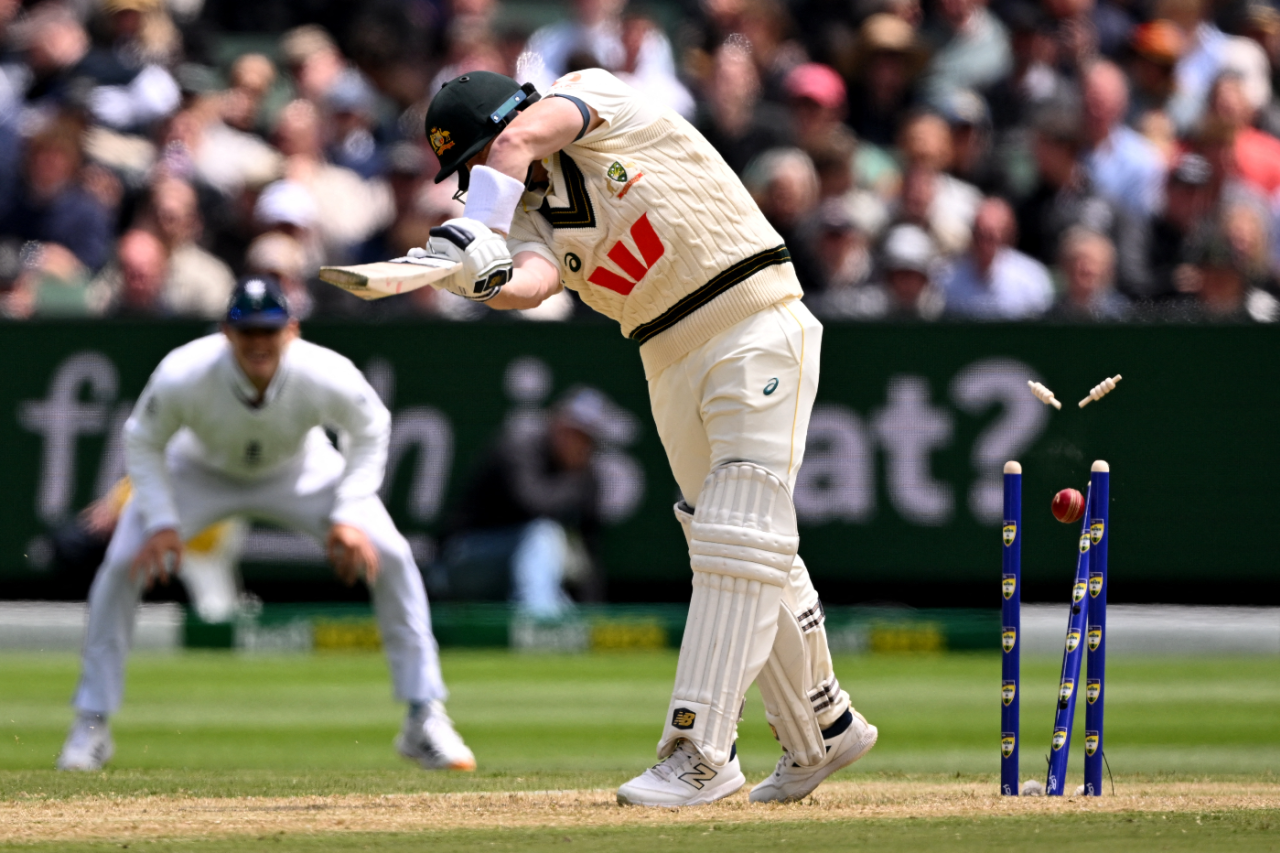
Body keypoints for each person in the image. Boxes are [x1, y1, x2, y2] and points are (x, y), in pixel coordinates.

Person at [416, 67, 876, 807]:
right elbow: (532, 283)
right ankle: (824, 724)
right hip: (665, 356)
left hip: (750, 315)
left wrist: (481, 227)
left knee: (737, 535)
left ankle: (699, 750)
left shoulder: (593, 97)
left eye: (473, 162)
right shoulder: (525, 206)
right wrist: (472, 275)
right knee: (737, 544)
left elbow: (522, 136)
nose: (473, 182)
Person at [56, 275, 474, 774]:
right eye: (247, 330)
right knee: (122, 562)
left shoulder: (324, 372)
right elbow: (142, 440)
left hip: (299, 469)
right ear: (226, 332)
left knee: (394, 557)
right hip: (199, 470)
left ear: (290, 331)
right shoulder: (184, 372)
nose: (258, 342)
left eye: (268, 330)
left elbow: (372, 427)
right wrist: (163, 520)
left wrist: (346, 512)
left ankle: (424, 716)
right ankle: (91, 725)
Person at [438, 388, 608, 618]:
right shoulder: (520, 446)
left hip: (528, 575)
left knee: (567, 616)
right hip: (464, 562)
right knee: (542, 534)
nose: (577, 442)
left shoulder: (585, 474)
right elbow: (530, 504)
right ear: (556, 422)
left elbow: (589, 546)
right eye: (572, 431)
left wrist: (593, 611)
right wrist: (575, 483)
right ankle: (538, 628)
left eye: (585, 437)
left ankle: (542, 624)